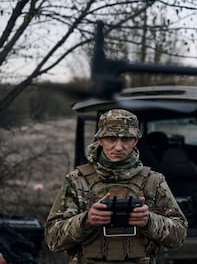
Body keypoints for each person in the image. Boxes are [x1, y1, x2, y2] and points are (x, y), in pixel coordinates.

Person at [45, 109, 187, 263]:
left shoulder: (153, 181)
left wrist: (149, 221)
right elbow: (53, 240)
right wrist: (86, 221)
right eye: (111, 138)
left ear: (135, 141)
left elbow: (179, 236)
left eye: (126, 139)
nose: (119, 147)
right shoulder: (77, 180)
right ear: (100, 139)